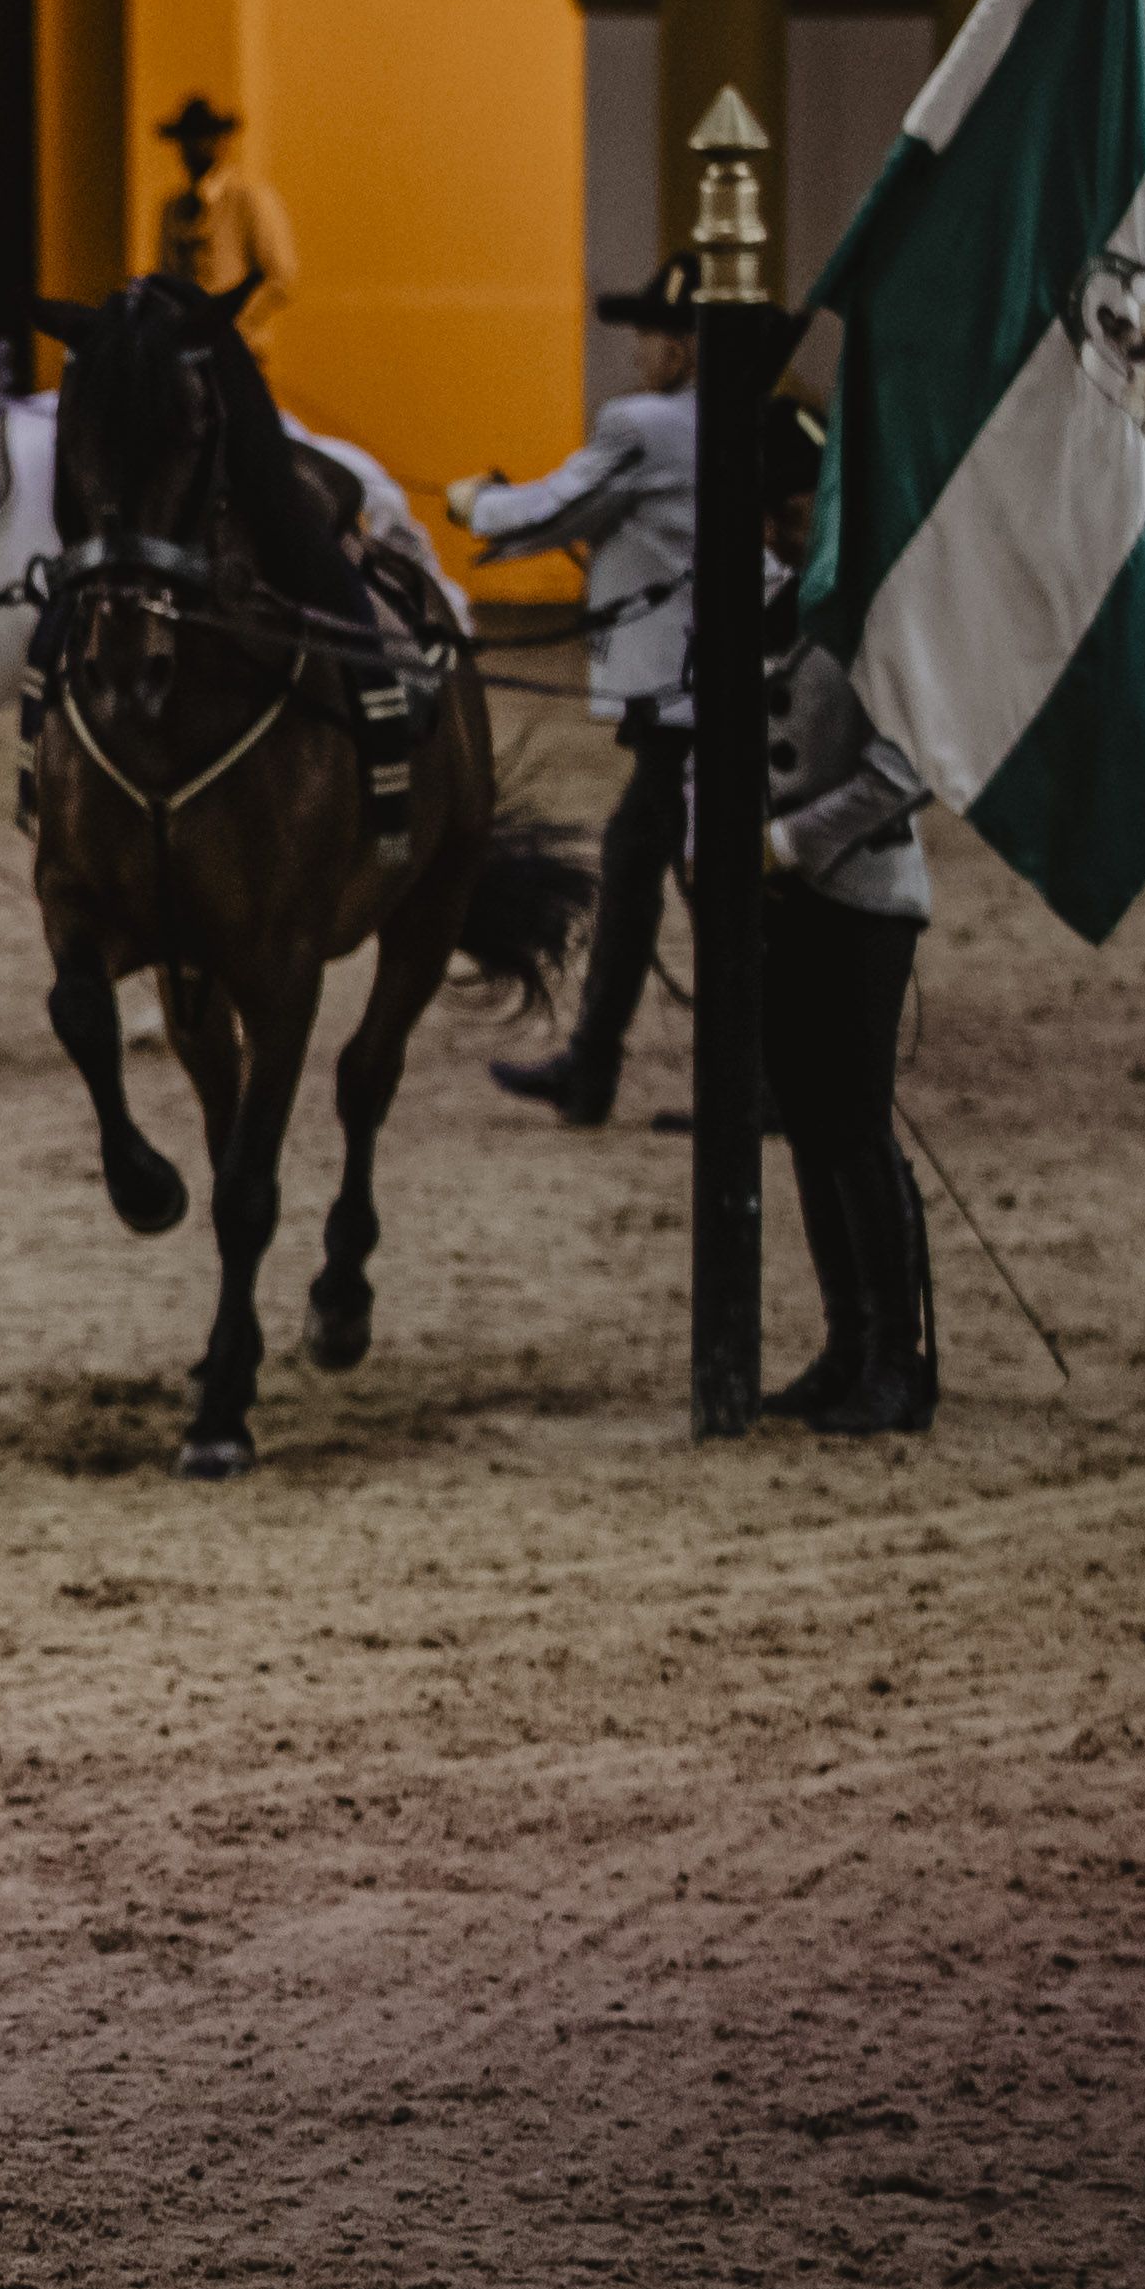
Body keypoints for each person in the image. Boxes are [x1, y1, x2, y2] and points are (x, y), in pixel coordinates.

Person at [454, 256, 706, 1126]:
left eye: (650, 335)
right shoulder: (733, 417)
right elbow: (587, 516)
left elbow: (555, 503)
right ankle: (592, 1068)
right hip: (696, 696)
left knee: (695, 886)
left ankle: (749, 1082)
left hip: (680, 700)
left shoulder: (645, 424)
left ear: (681, 347)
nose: (638, 350)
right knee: (636, 870)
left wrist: (475, 506)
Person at [735, 470, 938, 1431]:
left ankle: (899, 1357)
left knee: (855, 1123)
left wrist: (788, 842)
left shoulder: (882, 615)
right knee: (812, 1126)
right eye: (775, 509)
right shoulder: (763, 604)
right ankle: (847, 1343)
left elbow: (905, 772)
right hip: (782, 903)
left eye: (797, 505)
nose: (781, 524)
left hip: (863, 897)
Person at [153, 91, 301, 344]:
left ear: (221, 143)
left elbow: (281, 275)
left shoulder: (249, 199)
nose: (193, 147)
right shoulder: (173, 209)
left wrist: (234, 322)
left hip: (237, 347)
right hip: (186, 348)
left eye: (203, 137)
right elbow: (166, 279)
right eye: (188, 139)